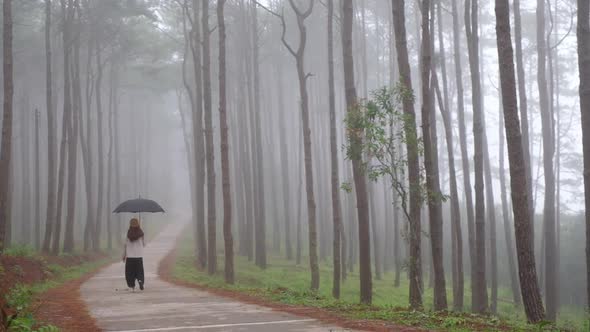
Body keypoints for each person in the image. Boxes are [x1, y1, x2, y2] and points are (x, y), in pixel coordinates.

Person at [122, 218, 145, 291]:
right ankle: (140, 280)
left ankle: (132, 286)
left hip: (130, 256)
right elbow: (144, 244)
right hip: (139, 256)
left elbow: (125, 244)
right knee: (139, 271)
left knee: (130, 272)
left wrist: (124, 255)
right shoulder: (141, 233)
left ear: (130, 224)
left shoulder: (128, 233)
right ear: (138, 223)